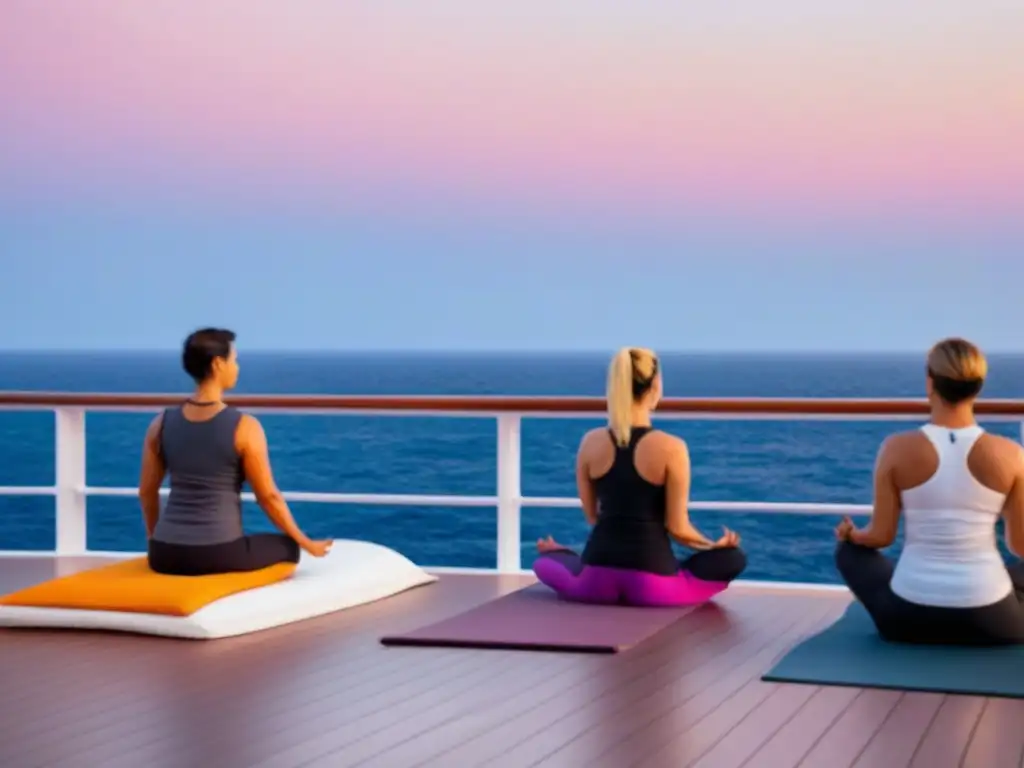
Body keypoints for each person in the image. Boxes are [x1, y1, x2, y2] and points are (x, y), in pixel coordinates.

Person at [835, 337, 1024, 645]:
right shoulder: (1011, 454)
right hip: (995, 624)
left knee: (848, 553)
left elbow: (881, 536)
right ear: (978, 387)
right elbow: (1020, 545)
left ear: (930, 383)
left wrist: (851, 535)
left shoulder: (895, 449)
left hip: (908, 620)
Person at [532, 347, 747, 606]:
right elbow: (678, 528)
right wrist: (714, 547)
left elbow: (592, 517)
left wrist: (562, 554)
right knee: (733, 558)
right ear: (655, 385)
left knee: (545, 562)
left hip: (594, 583)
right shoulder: (672, 447)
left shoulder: (590, 442)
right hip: (654, 587)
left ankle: (565, 556)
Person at [138, 328, 333, 576]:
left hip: (165, 556)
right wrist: (306, 543)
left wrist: (155, 542)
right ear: (218, 364)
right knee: (287, 546)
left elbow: (146, 492)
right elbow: (269, 497)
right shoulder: (244, 427)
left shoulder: (160, 424)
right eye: (234, 360)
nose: (237, 367)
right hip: (218, 554)